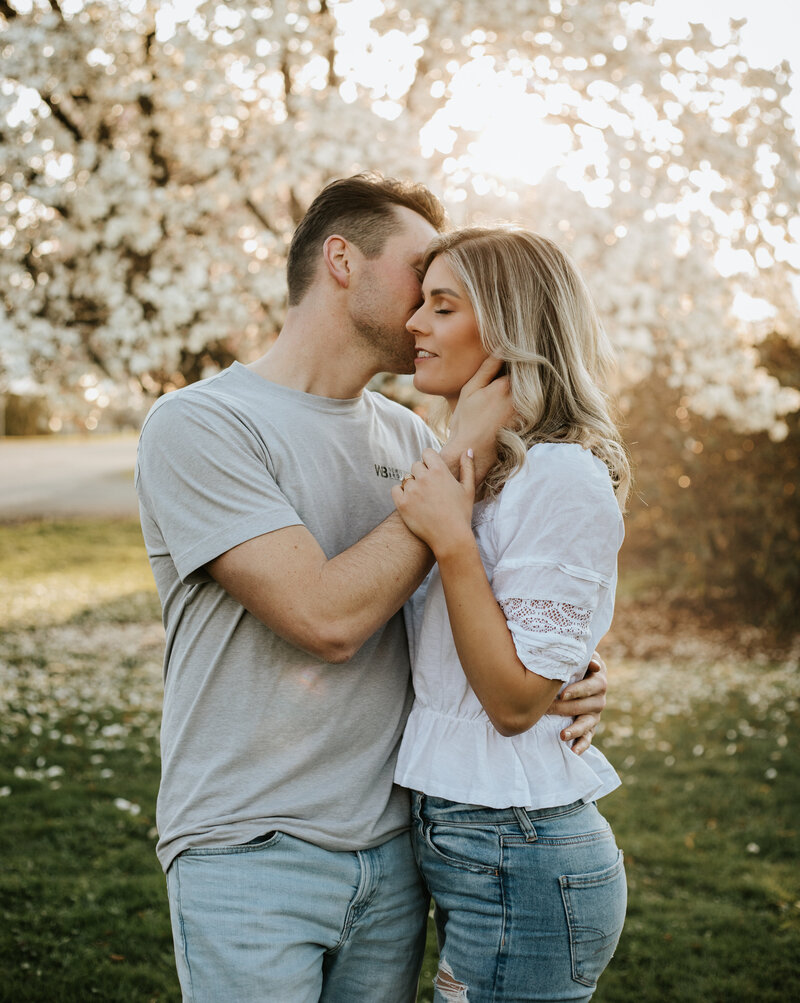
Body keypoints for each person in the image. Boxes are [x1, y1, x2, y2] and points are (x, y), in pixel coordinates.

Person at [135, 175, 609, 1003]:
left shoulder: (410, 434)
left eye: (445, 296)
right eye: (420, 274)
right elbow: (326, 618)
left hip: (398, 848)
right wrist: (457, 458)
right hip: (250, 845)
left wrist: (568, 667)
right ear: (342, 259)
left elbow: (471, 600)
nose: (428, 305)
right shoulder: (202, 424)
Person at [392, 226, 630, 1002]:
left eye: (442, 306)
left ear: (508, 330)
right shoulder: (479, 468)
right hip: (477, 840)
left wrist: (452, 540)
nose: (414, 324)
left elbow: (514, 701)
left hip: (521, 851)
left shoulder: (562, 477)